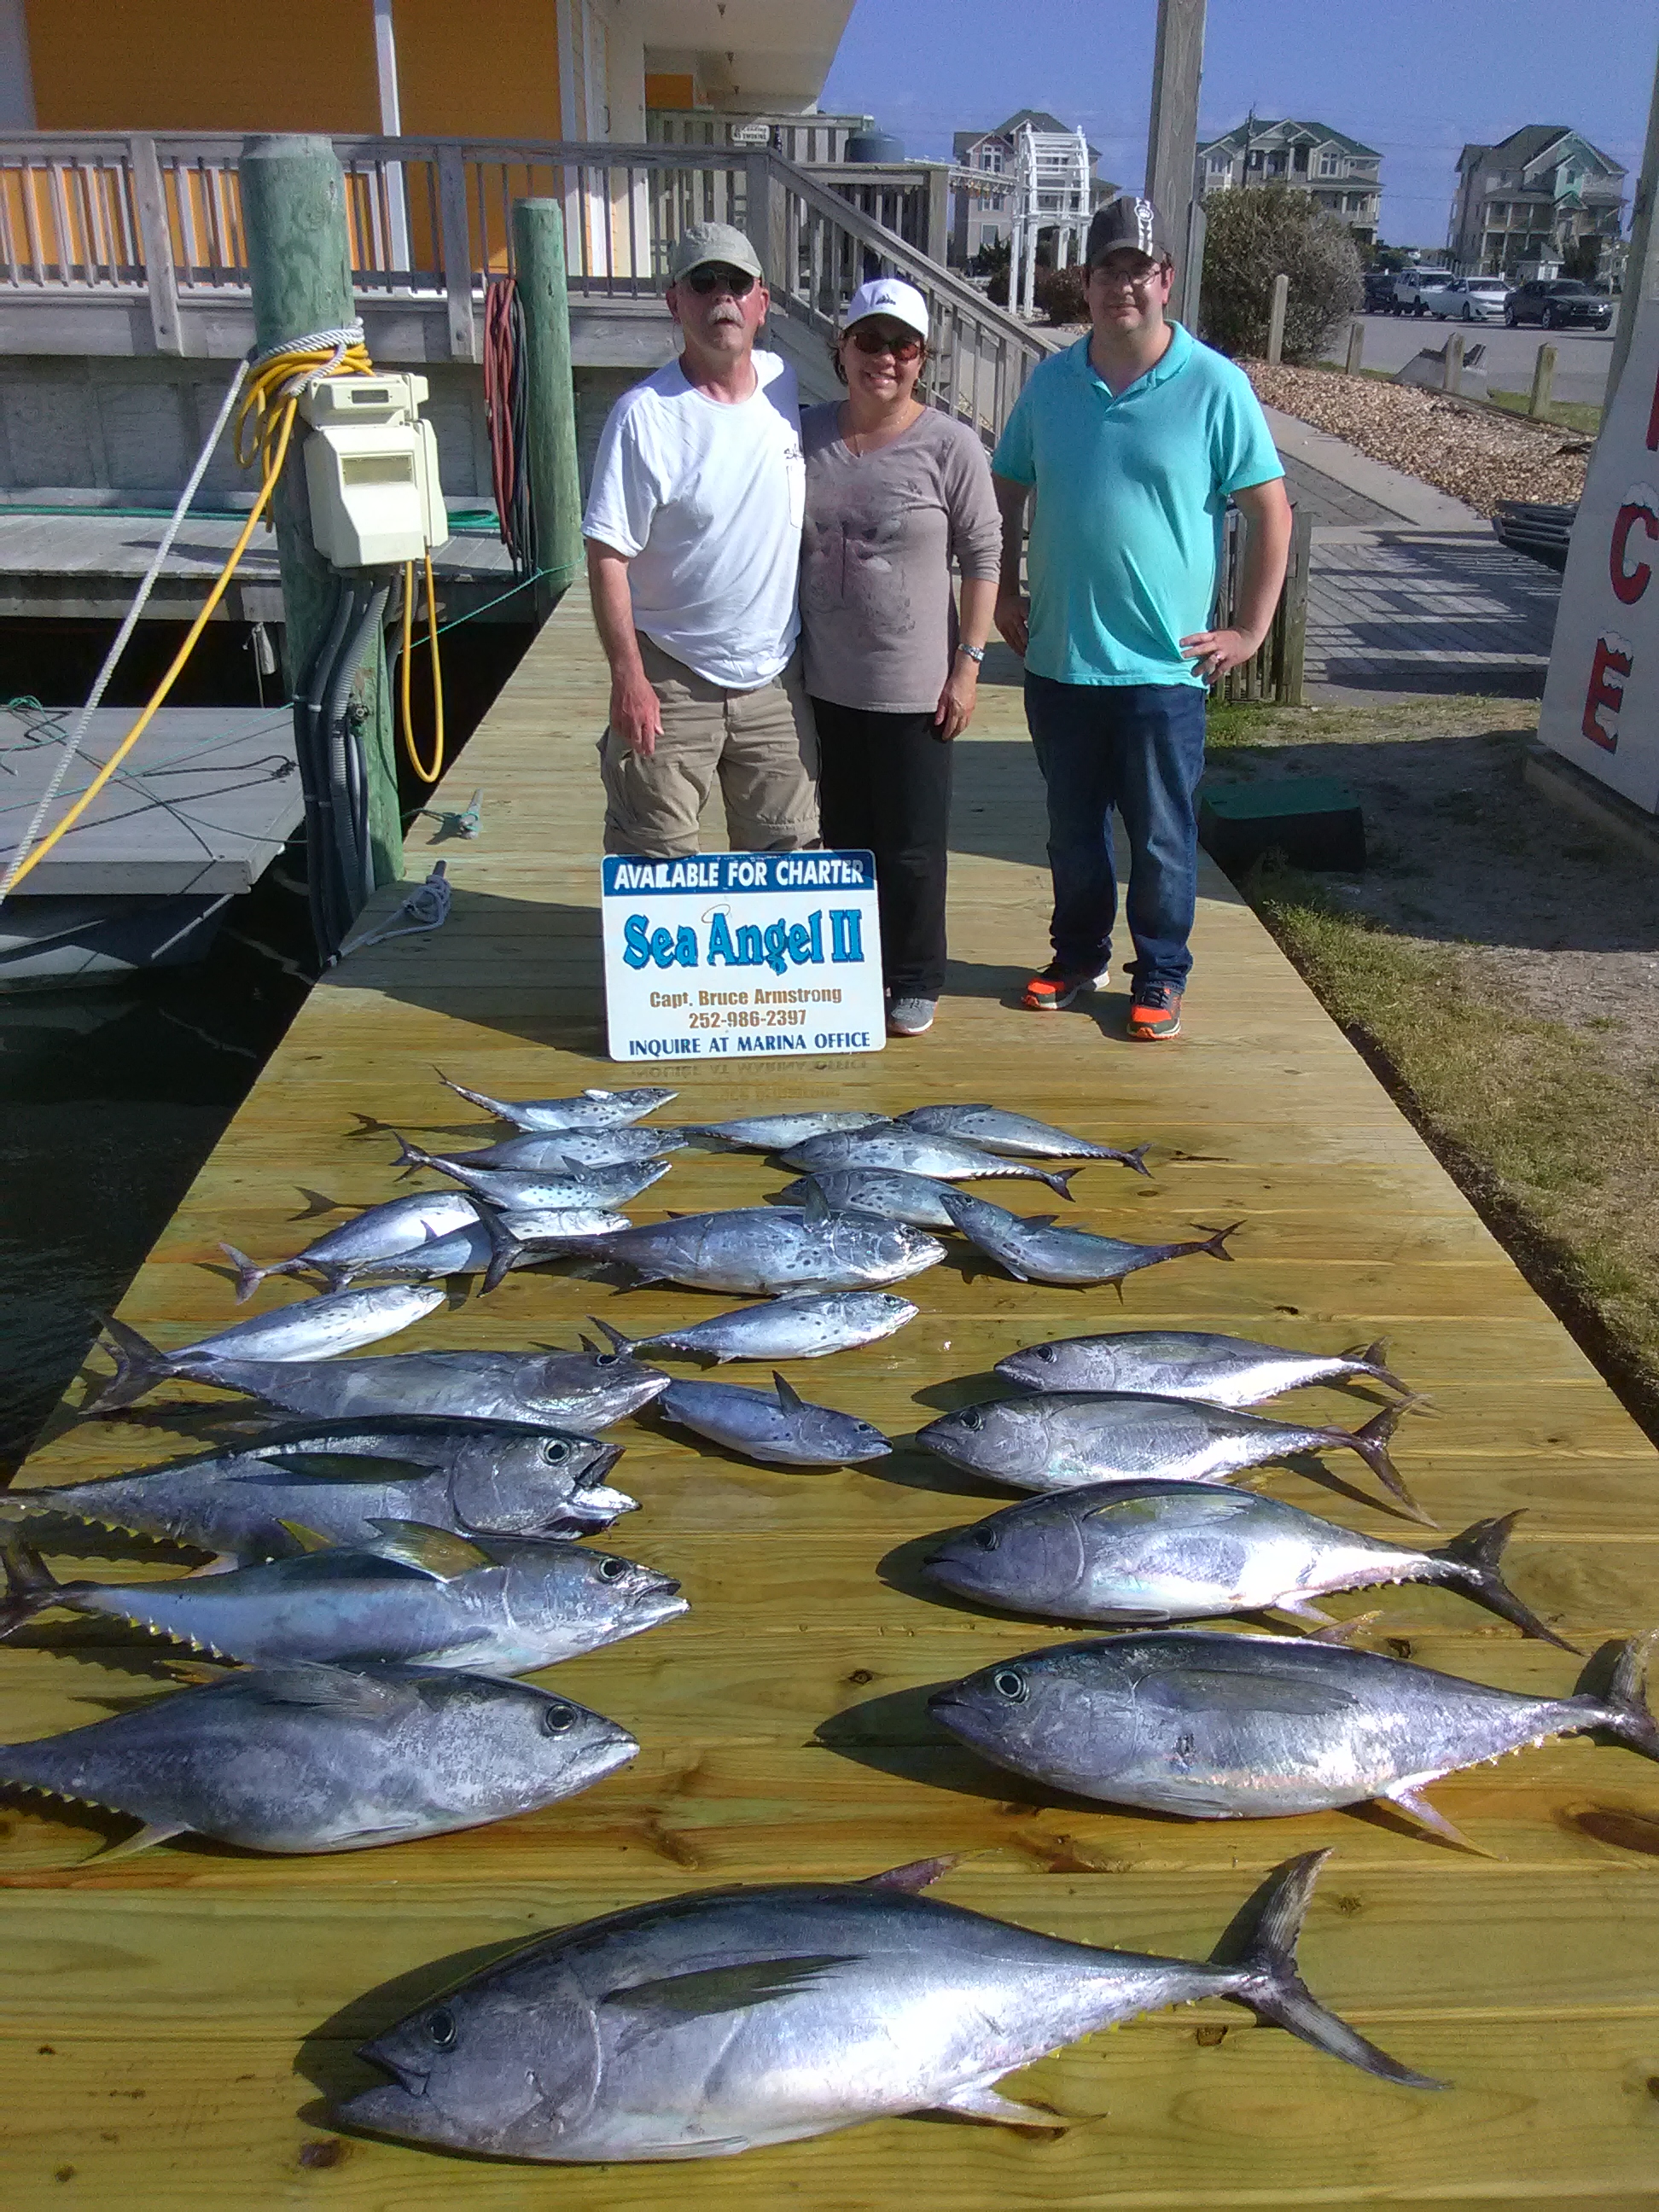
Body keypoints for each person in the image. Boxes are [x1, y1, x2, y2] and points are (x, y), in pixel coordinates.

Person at [992, 194, 1292, 1039]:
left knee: (1163, 839)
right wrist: (1007, 593)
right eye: (1107, 270)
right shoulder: (1052, 382)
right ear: (1084, 285)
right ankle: (1078, 955)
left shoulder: (1213, 384)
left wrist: (1250, 629)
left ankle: (1159, 973)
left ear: (1165, 281)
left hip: (1165, 671)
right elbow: (1006, 485)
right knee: (1071, 835)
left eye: (1139, 270)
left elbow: (1272, 512)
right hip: (1061, 660)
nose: (1124, 285)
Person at [799, 279, 1000, 1039]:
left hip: (916, 688)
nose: (885, 358)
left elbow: (986, 553)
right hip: (822, 679)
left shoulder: (950, 444)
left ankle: (916, 976)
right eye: (870, 342)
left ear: (922, 359)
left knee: (912, 847)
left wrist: (969, 664)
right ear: (842, 348)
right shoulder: (803, 431)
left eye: (903, 346)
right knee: (843, 838)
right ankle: (856, 969)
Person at [581, 221, 818, 858]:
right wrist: (627, 676)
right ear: (675, 301)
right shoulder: (642, 417)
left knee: (790, 860)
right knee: (657, 859)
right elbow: (606, 557)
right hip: (671, 675)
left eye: (737, 283)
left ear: (761, 304)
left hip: (774, 680)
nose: (722, 297)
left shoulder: (783, 383)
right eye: (703, 281)